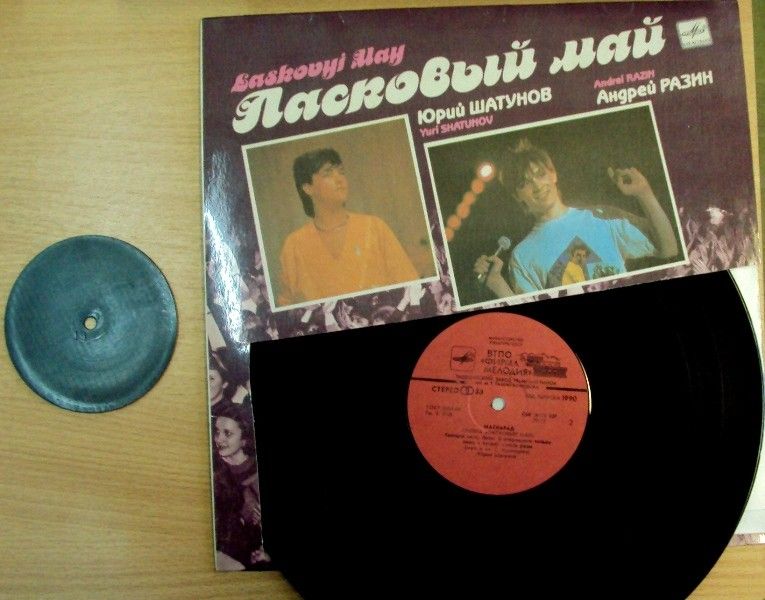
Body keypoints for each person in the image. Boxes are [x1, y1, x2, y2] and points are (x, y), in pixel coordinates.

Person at [474, 139, 679, 296]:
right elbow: (531, 326)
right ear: (517, 196)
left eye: (540, 174)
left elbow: (668, 248)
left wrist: (644, 193)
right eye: (524, 183)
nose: (537, 185)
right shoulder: (522, 256)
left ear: (553, 174)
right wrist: (497, 284)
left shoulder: (601, 216)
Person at [277, 148, 419, 306]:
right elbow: (286, 308)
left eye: (341, 172)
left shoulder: (374, 227)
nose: (340, 179)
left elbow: (411, 284)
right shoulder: (293, 246)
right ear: (308, 188)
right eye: (328, 173)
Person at [213, 402, 268, 570]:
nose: (219, 439)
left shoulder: (256, 468)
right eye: (217, 432)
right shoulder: (214, 471)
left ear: (244, 440)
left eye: (227, 433)